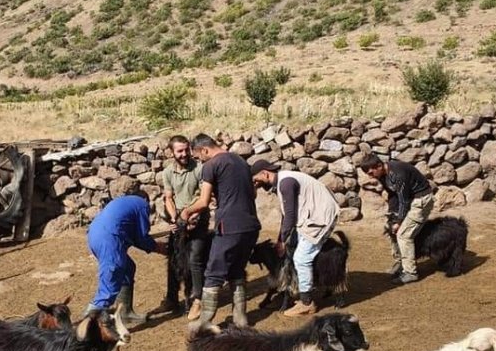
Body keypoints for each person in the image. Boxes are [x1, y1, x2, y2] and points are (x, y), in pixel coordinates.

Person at [180, 134, 261, 327]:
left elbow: (203, 201)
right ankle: (240, 318)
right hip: (250, 225)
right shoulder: (240, 161)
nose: (200, 161)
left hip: (229, 226)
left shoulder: (211, 165)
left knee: (213, 272)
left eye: (199, 157)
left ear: (205, 150)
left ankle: (205, 320)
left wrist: (187, 212)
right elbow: (252, 192)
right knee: (236, 270)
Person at [251, 160, 339, 316]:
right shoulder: (284, 182)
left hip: (320, 217)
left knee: (301, 258)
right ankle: (307, 289)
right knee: (295, 251)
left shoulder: (285, 183)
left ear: (265, 173)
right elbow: (286, 215)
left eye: (256, 179)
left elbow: (290, 216)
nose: (256, 183)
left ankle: (307, 302)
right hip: (312, 216)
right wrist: (281, 239)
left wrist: (283, 240)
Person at [85, 192, 168, 324]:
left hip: (94, 236)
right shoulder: (141, 204)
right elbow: (141, 237)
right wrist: (160, 248)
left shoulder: (123, 203)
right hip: (109, 239)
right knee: (109, 285)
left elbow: (135, 237)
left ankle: (125, 312)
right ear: (145, 199)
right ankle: (87, 328)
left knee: (128, 268)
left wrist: (152, 246)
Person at [154, 135, 208, 321]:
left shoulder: (200, 169)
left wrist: (192, 215)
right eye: (179, 151)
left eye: (186, 149)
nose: (184, 154)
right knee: (174, 260)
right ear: (172, 152)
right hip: (179, 222)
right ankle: (171, 299)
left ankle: (195, 299)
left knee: (194, 259)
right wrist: (175, 217)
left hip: (197, 220)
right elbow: (168, 198)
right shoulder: (168, 172)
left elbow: (204, 196)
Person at [358, 153, 434, 284]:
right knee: (390, 230)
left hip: (420, 199)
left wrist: (399, 222)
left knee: (404, 235)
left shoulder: (398, 174)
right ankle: (400, 264)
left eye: (371, 173)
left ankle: (410, 272)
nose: (370, 176)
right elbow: (393, 195)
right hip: (407, 199)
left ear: (379, 166)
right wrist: (392, 217)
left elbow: (404, 200)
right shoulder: (382, 175)